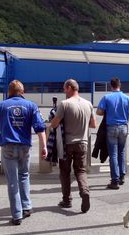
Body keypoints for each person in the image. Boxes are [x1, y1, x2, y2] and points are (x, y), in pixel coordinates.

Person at [0, 80, 47, 225]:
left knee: (12, 180)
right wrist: (44, 146)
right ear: (23, 92)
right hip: (24, 146)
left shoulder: (1, 106)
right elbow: (40, 127)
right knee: (24, 175)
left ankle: (17, 214)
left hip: (7, 146)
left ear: (9, 92)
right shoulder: (31, 106)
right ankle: (26, 206)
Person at [50, 79, 96, 213]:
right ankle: (84, 192)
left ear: (69, 87)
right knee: (80, 170)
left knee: (65, 172)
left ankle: (67, 200)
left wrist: (51, 120)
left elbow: (54, 123)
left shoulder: (64, 104)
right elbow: (93, 124)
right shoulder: (88, 104)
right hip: (83, 143)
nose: (64, 91)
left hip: (67, 144)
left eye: (65, 89)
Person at [97, 77, 129, 189]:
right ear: (120, 85)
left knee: (113, 154)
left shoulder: (106, 98)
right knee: (121, 152)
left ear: (111, 86)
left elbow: (99, 112)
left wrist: (108, 111)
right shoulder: (128, 99)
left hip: (111, 128)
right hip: (123, 128)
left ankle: (114, 180)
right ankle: (122, 176)